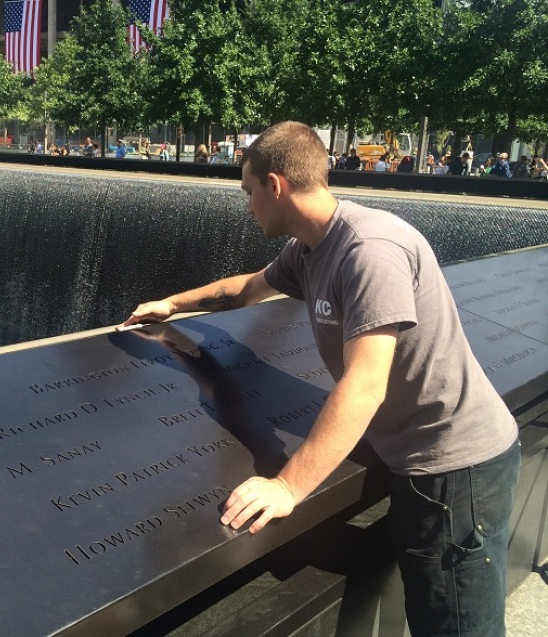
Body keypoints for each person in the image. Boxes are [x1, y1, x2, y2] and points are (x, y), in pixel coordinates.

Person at [119, 120, 520, 637]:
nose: (247, 207)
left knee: (457, 626)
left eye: (248, 192)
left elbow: (365, 384)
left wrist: (288, 486)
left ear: (276, 185)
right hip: (419, 462)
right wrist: (171, 305)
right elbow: (243, 290)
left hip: (455, 472)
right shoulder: (310, 249)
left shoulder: (368, 252)